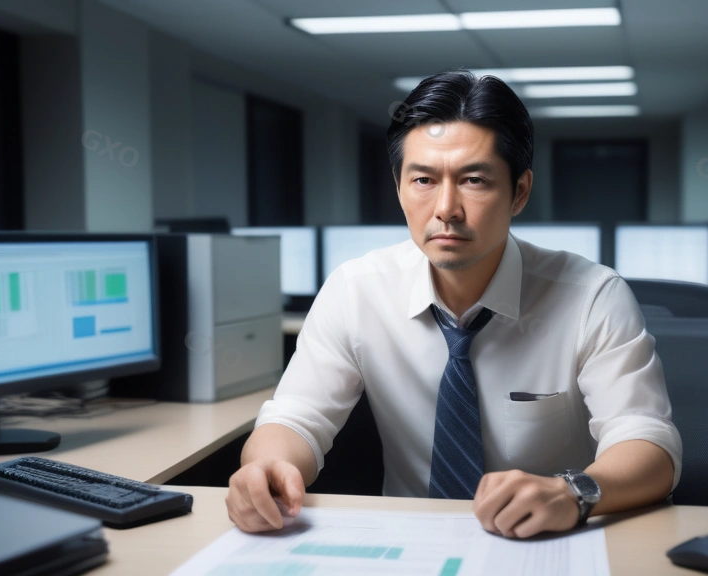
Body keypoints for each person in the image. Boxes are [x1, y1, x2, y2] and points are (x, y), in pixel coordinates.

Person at [226, 69, 681, 539]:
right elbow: (297, 417)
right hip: (410, 545)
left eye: (474, 180)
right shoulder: (355, 289)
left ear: (519, 192)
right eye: (423, 179)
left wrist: (572, 493)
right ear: (399, 187)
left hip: (547, 541)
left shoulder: (592, 296)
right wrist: (266, 468)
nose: (446, 208)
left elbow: (648, 441)